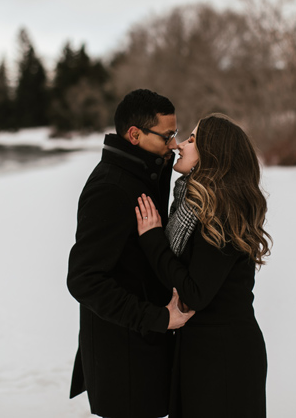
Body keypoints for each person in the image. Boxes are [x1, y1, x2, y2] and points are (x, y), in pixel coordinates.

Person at [67, 89, 195, 418]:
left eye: (176, 135)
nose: (173, 145)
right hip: (122, 356)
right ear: (134, 134)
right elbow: (84, 280)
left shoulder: (144, 171)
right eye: (167, 136)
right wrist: (157, 318)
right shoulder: (110, 188)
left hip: (144, 349)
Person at [134, 113, 272, 418]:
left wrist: (153, 240)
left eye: (193, 139)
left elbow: (195, 293)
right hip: (200, 349)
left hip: (224, 357)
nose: (181, 145)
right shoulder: (193, 205)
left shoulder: (220, 212)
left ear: (213, 154)